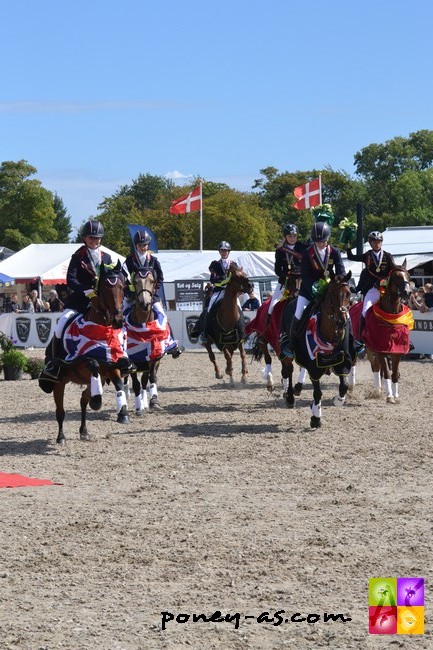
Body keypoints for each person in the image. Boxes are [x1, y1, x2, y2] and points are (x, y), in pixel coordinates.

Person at [40, 219, 112, 380]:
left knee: (120, 322)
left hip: (101, 304)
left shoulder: (107, 258)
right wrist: (86, 290)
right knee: (61, 324)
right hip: (80, 301)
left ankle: (122, 358)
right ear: (84, 238)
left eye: (97, 238)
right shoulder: (78, 257)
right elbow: (71, 280)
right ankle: (53, 362)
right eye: (91, 238)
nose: (95, 241)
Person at [280, 221, 346, 359]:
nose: (320, 243)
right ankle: (292, 344)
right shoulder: (307, 253)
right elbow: (305, 275)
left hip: (330, 291)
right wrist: (315, 288)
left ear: (327, 239)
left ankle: (350, 343)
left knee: (346, 315)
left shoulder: (334, 252)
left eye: (322, 241)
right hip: (309, 290)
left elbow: (340, 270)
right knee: (298, 313)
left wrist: (338, 281)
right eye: (317, 241)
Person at [122, 229, 183, 358]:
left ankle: (170, 342)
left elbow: (160, 277)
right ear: (136, 246)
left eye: (144, 245)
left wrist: (154, 290)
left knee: (163, 316)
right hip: (132, 296)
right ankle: (119, 345)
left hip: (150, 295)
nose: (143, 248)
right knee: (120, 316)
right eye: (140, 245)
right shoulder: (129, 261)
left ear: (148, 245)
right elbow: (124, 277)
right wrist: (128, 291)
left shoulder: (154, 261)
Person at [346, 231, 395, 338]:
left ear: (381, 243)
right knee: (365, 311)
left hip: (386, 289)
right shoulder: (367, 255)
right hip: (372, 289)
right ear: (370, 243)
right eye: (374, 242)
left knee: (399, 308)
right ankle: (361, 335)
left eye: (379, 241)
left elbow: (393, 270)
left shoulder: (388, 256)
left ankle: (402, 336)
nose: (377, 244)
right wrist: (348, 243)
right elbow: (350, 257)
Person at [196, 241, 239, 344]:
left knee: (239, 310)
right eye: (222, 251)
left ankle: (241, 332)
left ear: (229, 252)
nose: (224, 252)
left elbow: (237, 278)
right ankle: (205, 333)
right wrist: (223, 279)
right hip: (219, 290)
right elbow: (212, 279)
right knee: (209, 308)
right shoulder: (214, 264)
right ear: (219, 252)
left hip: (230, 292)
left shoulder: (233, 264)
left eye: (226, 251)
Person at [268, 223, 307, 315]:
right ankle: (268, 325)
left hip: (302, 280)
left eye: (294, 236)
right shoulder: (280, 250)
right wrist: (287, 275)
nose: (292, 238)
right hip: (285, 281)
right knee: (272, 306)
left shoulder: (303, 247)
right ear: (285, 237)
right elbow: (277, 270)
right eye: (290, 236)